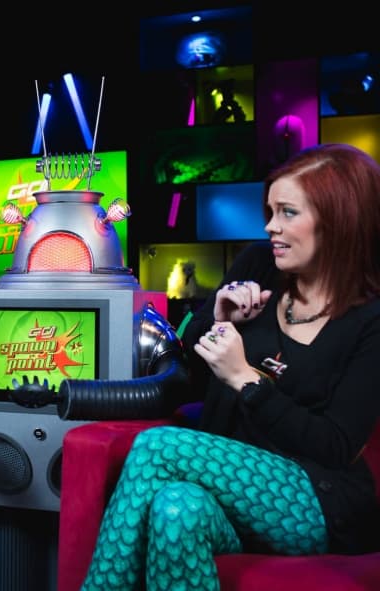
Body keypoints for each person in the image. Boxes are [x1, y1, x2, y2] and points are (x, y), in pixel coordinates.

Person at [81, 143, 380, 591]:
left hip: (318, 500)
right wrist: (218, 320)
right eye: (270, 212)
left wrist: (246, 379)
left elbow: (336, 446)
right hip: (227, 485)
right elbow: (190, 378)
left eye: (287, 213)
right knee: (175, 509)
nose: (271, 226)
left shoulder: (371, 321)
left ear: (339, 222)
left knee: (158, 447)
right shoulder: (259, 265)